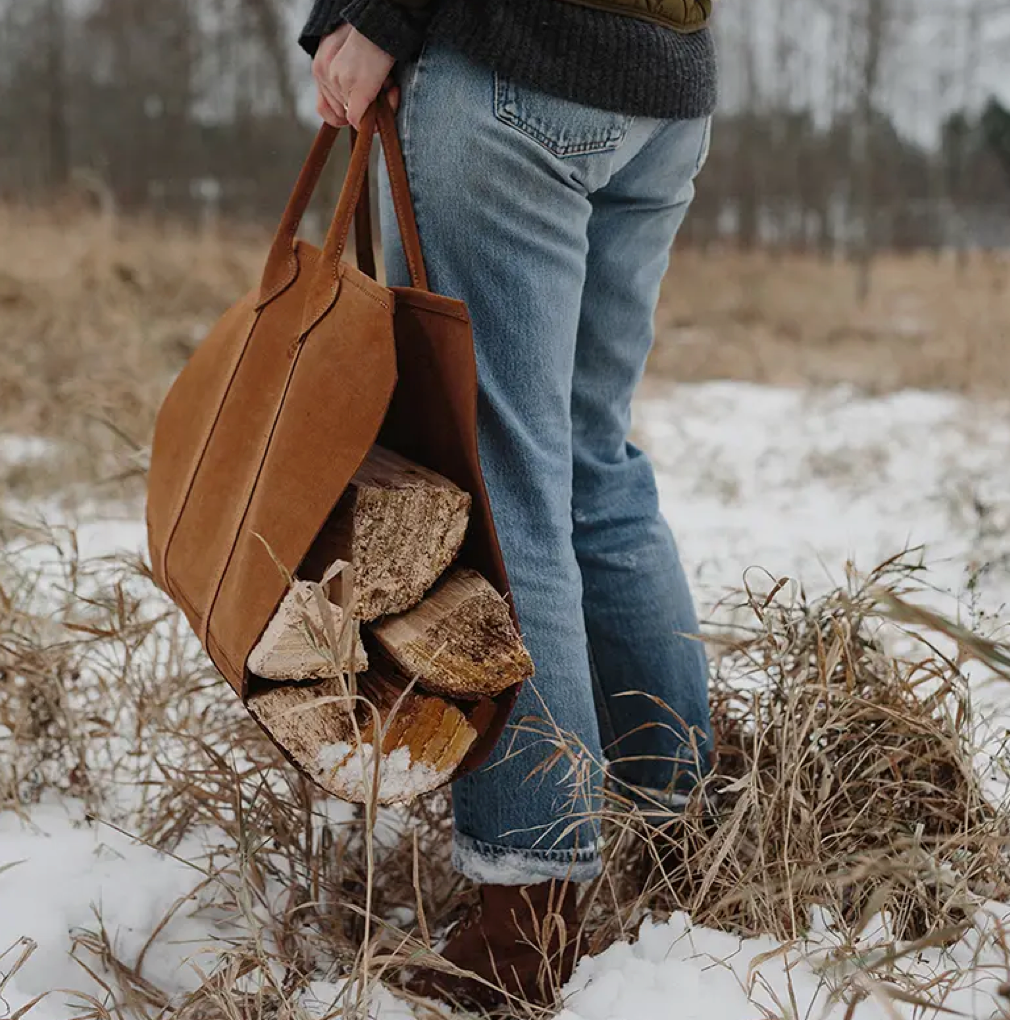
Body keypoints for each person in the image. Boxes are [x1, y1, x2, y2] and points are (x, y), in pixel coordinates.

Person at [300, 0, 717, 1007]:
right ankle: (673, 826)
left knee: (502, 485)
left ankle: (525, 914)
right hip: (664, 78)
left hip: (510, 64)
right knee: (587, 461)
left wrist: (374, 14)